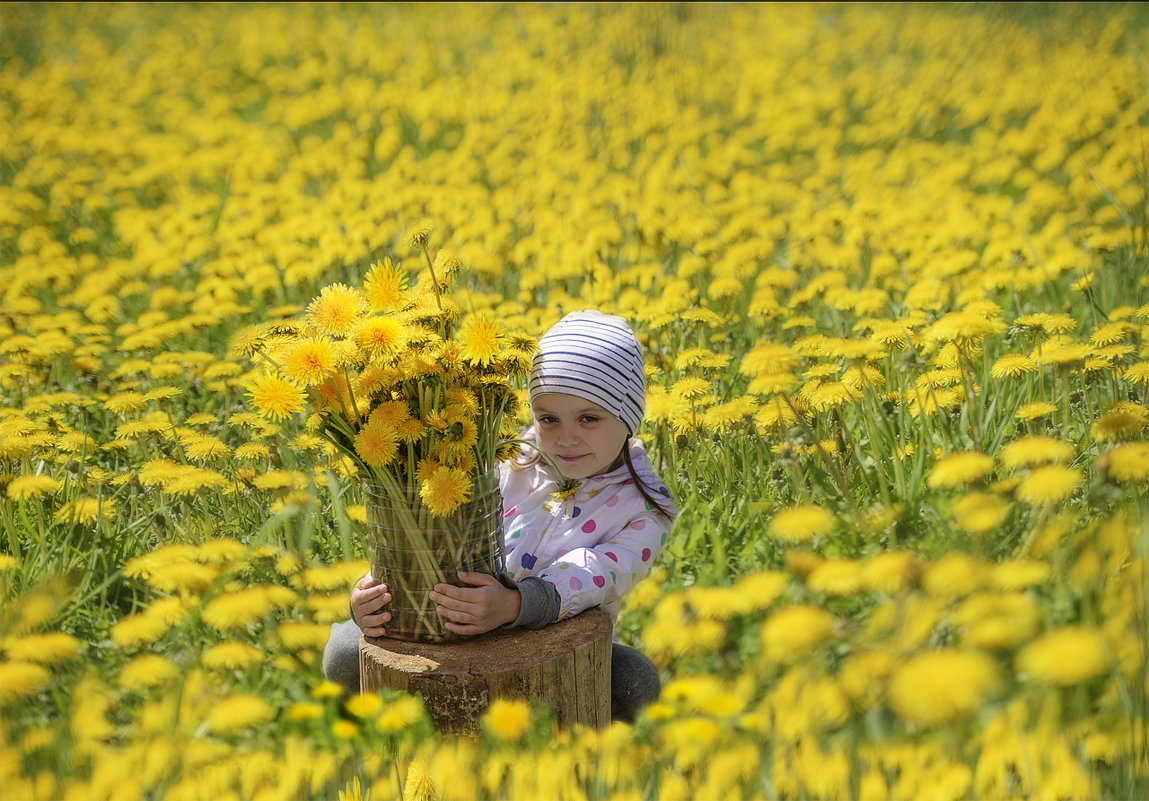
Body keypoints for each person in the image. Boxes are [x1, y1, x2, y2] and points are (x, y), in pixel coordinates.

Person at [323, 310, 676, 723]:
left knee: (635, 678)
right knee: (344, 651)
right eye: (548, 418)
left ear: (628, 416)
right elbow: (433, 525)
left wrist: (514, 604)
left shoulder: (643, 507)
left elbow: (601, 569)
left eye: (589, 418)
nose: (566, 437)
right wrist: (378, 593)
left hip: (555, 643)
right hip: (451, 617)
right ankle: (366, 756)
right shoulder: (507, 457)